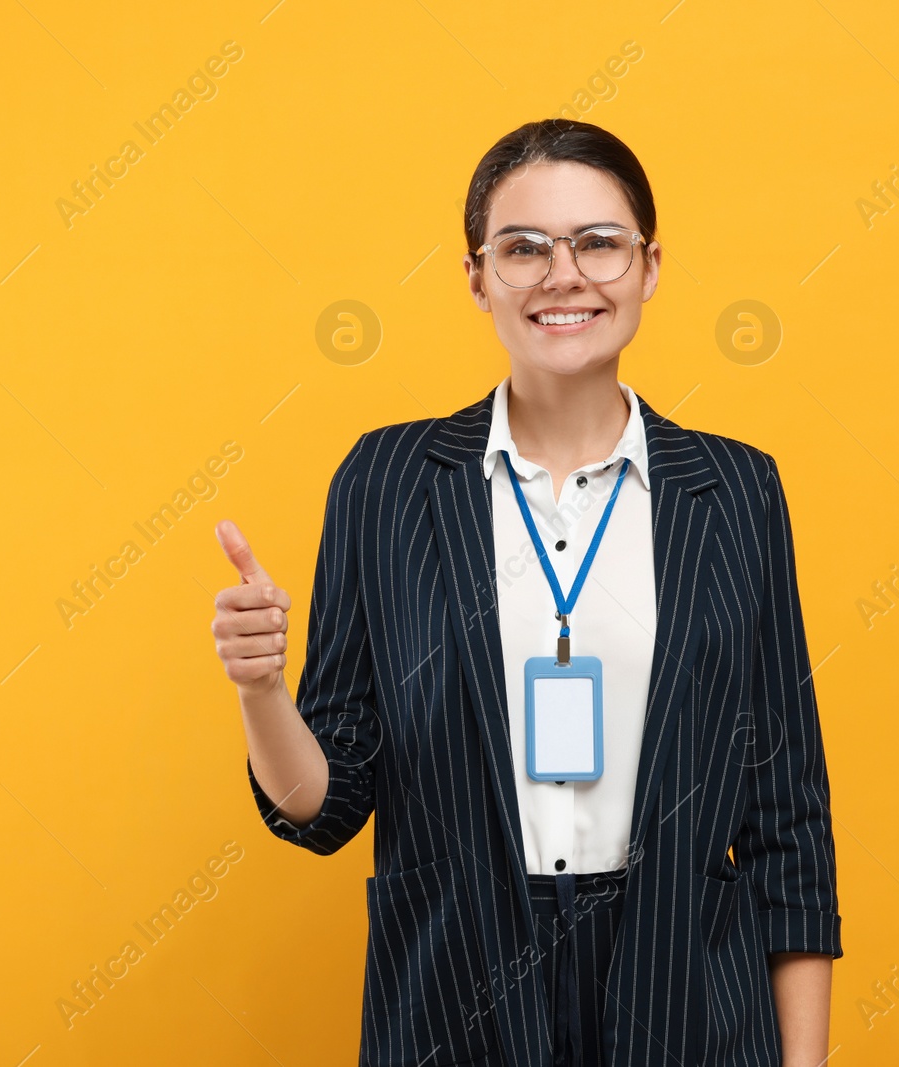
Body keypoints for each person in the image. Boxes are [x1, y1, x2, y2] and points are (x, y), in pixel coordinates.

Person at [210, 117, 841, 1067]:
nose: (563, 275)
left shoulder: (737, 490)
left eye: (598, 242)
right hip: (455, 1004)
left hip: (686, 1007)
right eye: (523, 249)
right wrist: (261, 691)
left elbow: (787, 812)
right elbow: (325, 806)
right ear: (476, 278)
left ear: (649, 265)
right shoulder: (387, 482)